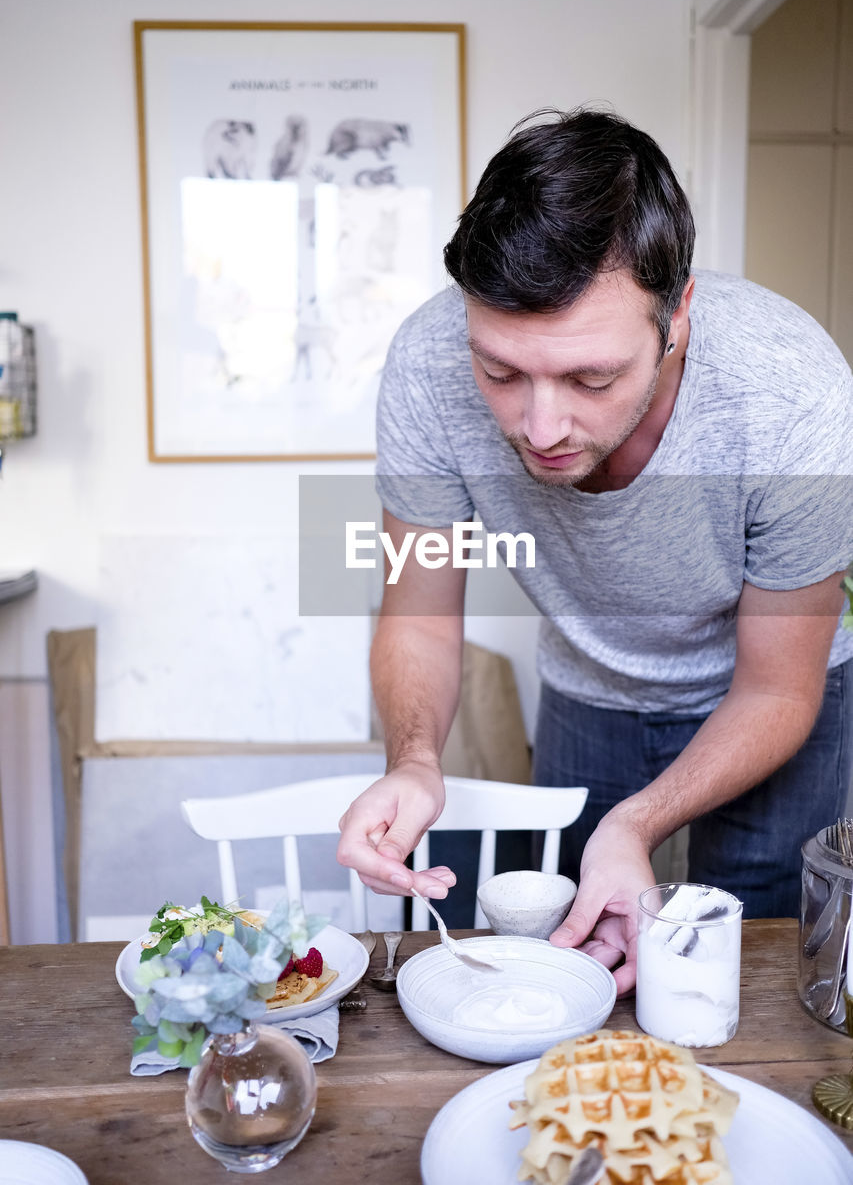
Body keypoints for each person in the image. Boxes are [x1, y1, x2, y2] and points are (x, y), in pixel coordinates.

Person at [337, 107, 853, 993]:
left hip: (772, 701)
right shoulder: (425, 365)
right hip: (587, 685)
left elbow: (778, 686)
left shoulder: (792, 392)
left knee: (744, 974)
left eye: (590, 377)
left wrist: (637, 821)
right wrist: (415, 759)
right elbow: (417, 615)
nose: (539, 428)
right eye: (499, 372)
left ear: (678, 313)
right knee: (582, 960)